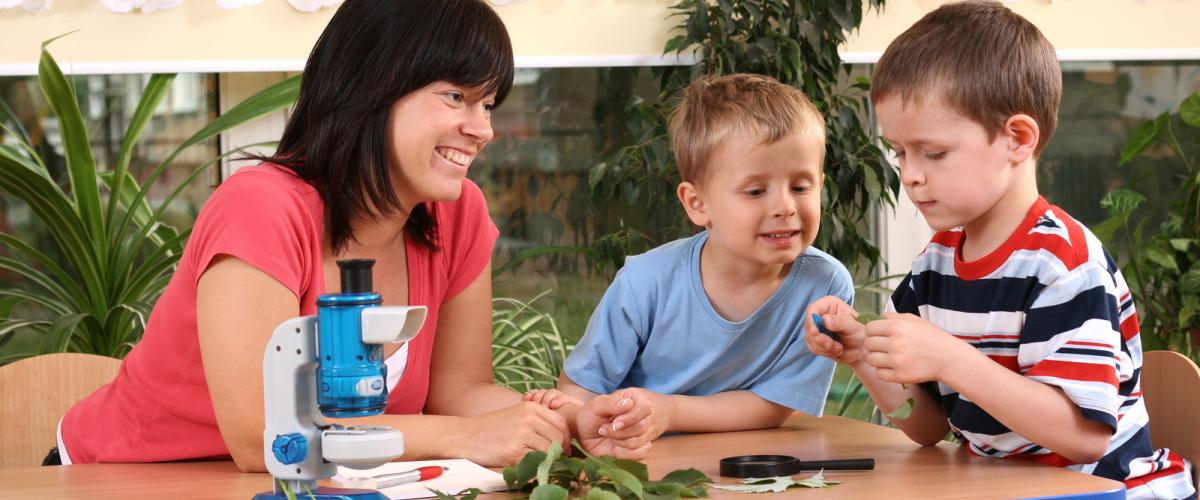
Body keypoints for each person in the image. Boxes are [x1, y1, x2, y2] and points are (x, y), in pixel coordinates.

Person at [57, 0, 635, 472]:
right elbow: (265, 436)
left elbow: (459, 394)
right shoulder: (261, 207)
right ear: (372, 89)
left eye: (488, 103)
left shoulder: (458, 216)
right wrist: (464, 436)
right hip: (117, 478)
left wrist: (563, 419)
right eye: (455, 96)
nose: (482, 128)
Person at [804, 2, 1196, 498]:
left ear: (1017, 139)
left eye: (934, 153)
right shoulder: (934, 265)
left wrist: (950, 360)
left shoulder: (1064, 265)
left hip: (1104, 490)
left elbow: (1082, 437)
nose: (911, 174)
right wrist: (863, 355)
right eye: (900, 152)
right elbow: (926, 428)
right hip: (1002, 488)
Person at [528, 74, 851, 448]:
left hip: (740, 463)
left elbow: (774, 405)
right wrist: (602, 422)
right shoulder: (644, 282)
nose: (785, 207)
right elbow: (578, 392)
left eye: (801, 186)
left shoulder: (826, 287)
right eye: (755, 191)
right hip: (636, 460)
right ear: (697, 204)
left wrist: (668, 412)